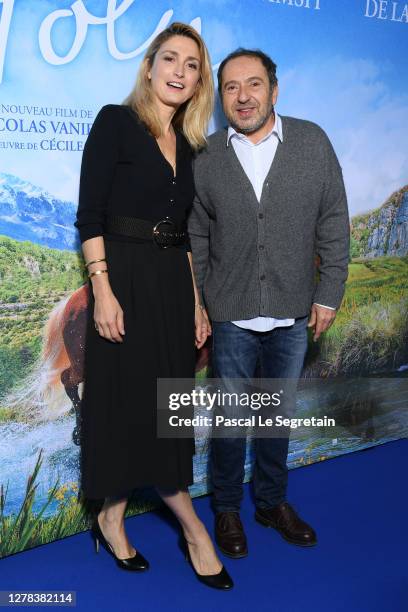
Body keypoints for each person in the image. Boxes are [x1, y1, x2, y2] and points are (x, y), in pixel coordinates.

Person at [75, 22, 232, 589]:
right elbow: (90, 216)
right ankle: (195, 531)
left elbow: (186, 235)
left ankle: (111, 515)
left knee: (167, 411)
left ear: (198, 83)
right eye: (170, 59)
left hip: (170, 285)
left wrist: (196, 305)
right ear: (149, 66)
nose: (179, 72)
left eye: (192, 66)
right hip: (124, 279)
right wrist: (103, 291)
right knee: (126, 408)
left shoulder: (191, 146)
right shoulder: (115, 122)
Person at [188, 48, 350, 558]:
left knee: (276, 416)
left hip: (293, 309)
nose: (243, 96)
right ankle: (229, 510)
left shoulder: (312, 142)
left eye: (253, 84)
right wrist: (197, 302)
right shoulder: (206, 155)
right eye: (231, 87)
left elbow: (333, 221)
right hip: (230, 312)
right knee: (232, 421)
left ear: (273, 90)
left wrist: (329, 293)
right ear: (222, 98)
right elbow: (195, 236)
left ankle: (271, 502)